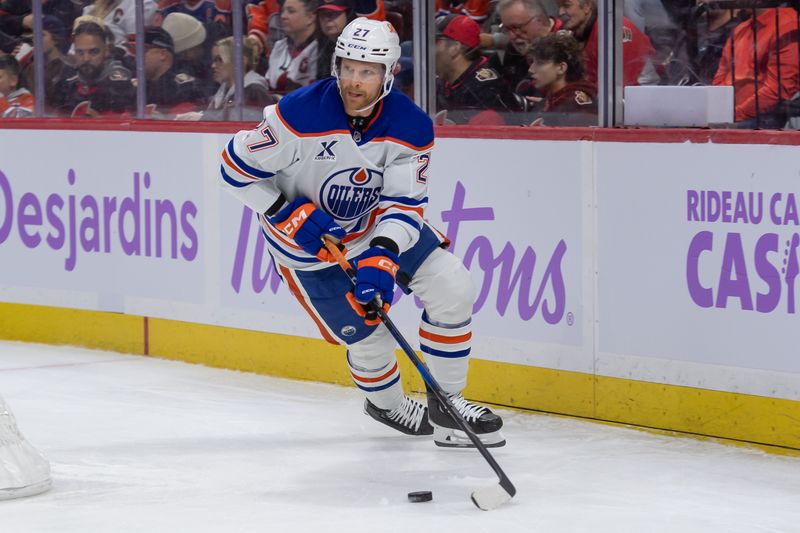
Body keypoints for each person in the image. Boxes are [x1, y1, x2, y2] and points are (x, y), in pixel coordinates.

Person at [219, 17, 505, 447]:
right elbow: (232, 169)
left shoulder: (410, 125)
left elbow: (405, 204)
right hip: (310, 251)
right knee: (371, 336)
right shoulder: (297, 114)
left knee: (452, 286)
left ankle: (447, 406)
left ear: (389, 74)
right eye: (348, 68)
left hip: (375, 227)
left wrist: (383, 253)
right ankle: (386, 405)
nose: (355, 81)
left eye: (367, 72)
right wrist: (285, 212)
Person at [712, 7, 800, 129]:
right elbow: (720, 78)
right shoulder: (740, 30)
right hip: (734, 116)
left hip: (766, 118)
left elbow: (778, 90)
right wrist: (716, 112)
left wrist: (733, 115)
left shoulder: (788, 26)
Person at [435, 14, 528, 123]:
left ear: (454, 48)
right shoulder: (443, 82)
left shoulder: (484, 92)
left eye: (436, 42)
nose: (428, 49)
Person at [557, 0, 657, 87]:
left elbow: (618, 89)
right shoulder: (576, 35)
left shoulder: (612, 31)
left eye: (567, 5)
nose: (560, 12)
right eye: (559, 6)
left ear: (587, 6)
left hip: (639, 98)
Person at [55, 20, 136, 117]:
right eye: (80, 53)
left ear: (106, 51)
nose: (86, 59)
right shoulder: (67, 82)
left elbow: (128, 121)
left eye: (93, 52)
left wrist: (101, 121)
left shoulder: (119, 81)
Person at [487, 0, 562, 94]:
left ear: (539, 20)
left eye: (517, 28)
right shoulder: (511, 52)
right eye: (506, 29)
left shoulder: (568, 44)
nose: (512, 36)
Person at [527, 31, 596, 126]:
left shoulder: (575, 106)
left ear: (561, 68)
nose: (531, 69)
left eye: (540, 63)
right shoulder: (555, 100)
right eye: (532, 62)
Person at [142, 27, 203, 116]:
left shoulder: (181, 89)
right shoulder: (144, 85)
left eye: (144, 51)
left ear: (162, 54)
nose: (137, 57)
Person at [265, 0, 320, 95]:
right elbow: (268, 86)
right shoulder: (279, 46)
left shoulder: (321, 49)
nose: (283, 16)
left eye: (291, 11)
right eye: (283, 11)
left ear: (310, 17)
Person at [315, 0, 355, 81]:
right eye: (323, 15)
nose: (327, 19)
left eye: (333, 13)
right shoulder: (322, 47)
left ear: (347, 15)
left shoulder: (357, 47)